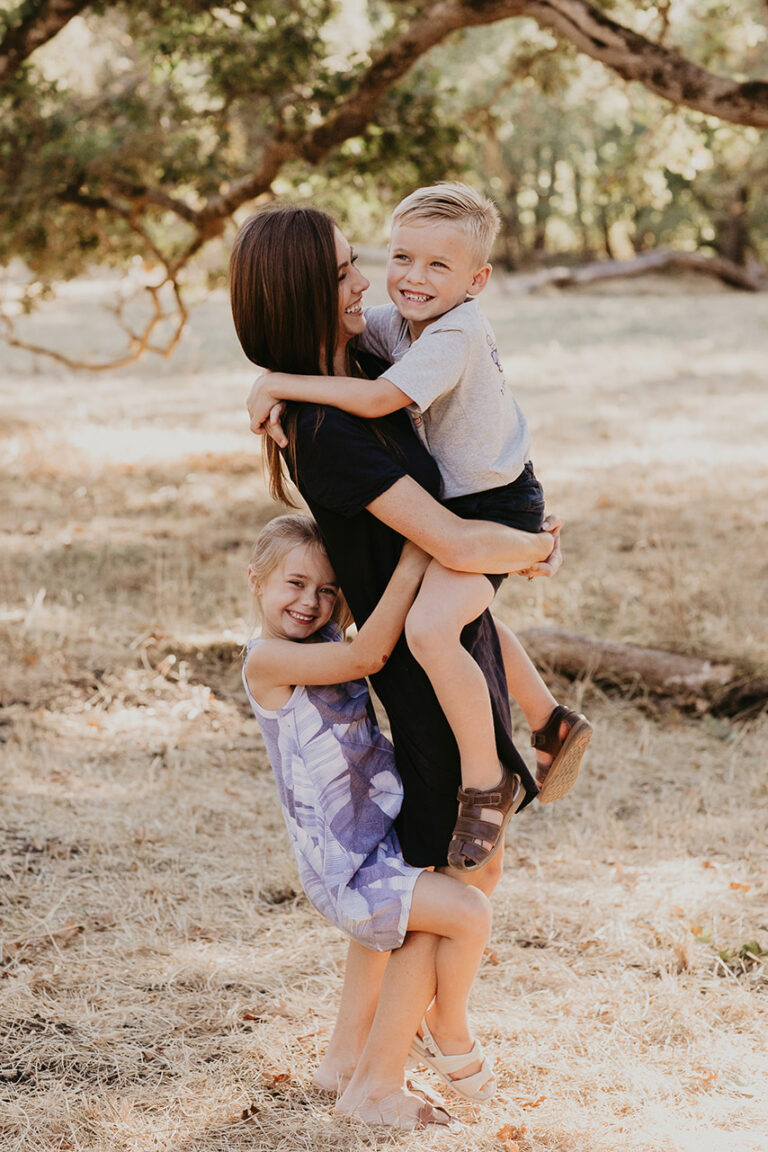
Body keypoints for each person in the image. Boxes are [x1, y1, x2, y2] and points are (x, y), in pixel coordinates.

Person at [229, 204, 560, 1129]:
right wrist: (528, 551)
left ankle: (346, 1060)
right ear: (305, 292)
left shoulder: (362, 370)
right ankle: (379, 1085)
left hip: (440, 647)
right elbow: (446, 534)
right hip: (425, 673)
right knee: (450, 885)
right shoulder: (328, 430)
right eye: (344, 273)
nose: (366, 282)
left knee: (426, 870)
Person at [243, 183, 592, 872]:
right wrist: (273, 379)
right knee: (457, 614)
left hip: (492, 503)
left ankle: (486, 780)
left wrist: (280, 381)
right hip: (470, 510)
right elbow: (346, 344)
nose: (401, 279)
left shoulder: (454, 331)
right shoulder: (399, 326)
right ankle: (549, 717)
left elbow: (373, 397)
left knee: (435, 626)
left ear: (476, 281)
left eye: (438, 266)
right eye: (399, 257)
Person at [243, 512, 499, 1128]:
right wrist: (416, 550)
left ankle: (344, 1061)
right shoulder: (268, 660)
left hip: (377, 839)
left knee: (418, 924)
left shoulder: (323, 637)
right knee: (468, 914)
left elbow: (382, 621)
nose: (312, 602)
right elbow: (371, 651)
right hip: (348, 867)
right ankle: (446, 1029)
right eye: (295, 584)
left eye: (329, 590)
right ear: (256, 580)